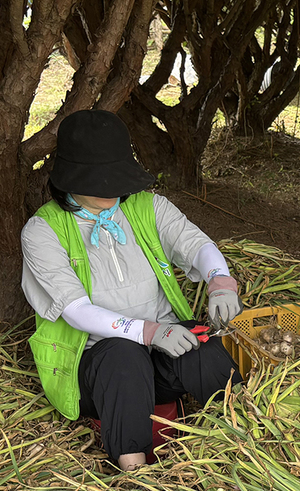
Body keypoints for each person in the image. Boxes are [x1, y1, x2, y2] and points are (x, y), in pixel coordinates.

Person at [21, 109, 243, 471]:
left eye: (115, 179)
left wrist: (219, 280)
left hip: (163, 348)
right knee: (122, 358)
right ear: (67, 178)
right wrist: (147, 331)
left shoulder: (146, 206)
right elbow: (76, 310)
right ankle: (135, 476)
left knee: (207, 352)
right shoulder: (42, 231)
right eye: (97, 181)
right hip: (99, 370)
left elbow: (196, 244)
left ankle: (249, 436)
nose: (109, 190)